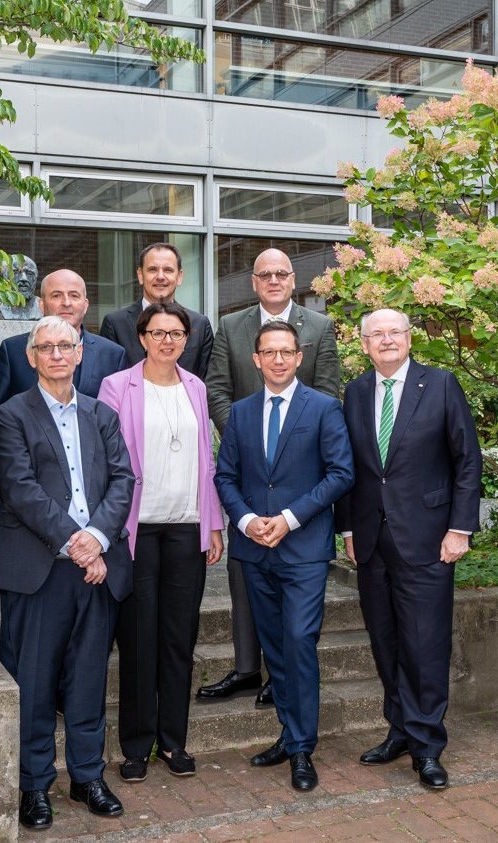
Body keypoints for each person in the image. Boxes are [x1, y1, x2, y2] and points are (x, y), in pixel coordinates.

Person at [0, 316, 135, 828]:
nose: (56, 354)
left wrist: (98, 542)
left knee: (89, 679)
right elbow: (21, 490)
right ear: (31, 358)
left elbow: (122, 480)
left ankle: (88, 776)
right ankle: (33, 784)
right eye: (45, 347)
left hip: (97, 569)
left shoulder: (102, 414)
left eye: (65, 345)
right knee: (35, 682)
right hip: (40, 569)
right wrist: (77, 541)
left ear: (80, 353)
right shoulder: (11, 416)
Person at [336, 308, 481, 791]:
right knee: (386, 643)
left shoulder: (440, 384)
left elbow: (466, 460)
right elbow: (350, 469)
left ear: (409, 338)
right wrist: (349, 531)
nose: (386, 340)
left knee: (425, 646)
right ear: (364, 345)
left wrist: (460, 528)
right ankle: (399, 729)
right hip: (373, 541)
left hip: (429, 539)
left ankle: (427, 745)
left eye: (393, 332)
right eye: (376, 335)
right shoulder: (356, 392)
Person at [200, 248, 343, 709]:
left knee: (295, 613)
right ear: (254, 281)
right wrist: (246, 434)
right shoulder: (230, 326)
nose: (275, 280)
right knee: (248, 584)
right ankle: (248, 667)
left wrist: (285, 439)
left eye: (283, 273)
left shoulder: (319, 328)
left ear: (293, 278)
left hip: (300, 479)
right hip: (248, 473)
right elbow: (217, 389)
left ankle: (282, 680)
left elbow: (327, 394)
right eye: (266, 274)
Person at [214, 320, 353, 792]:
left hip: (303, 549)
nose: (277, 359)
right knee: (275, 648)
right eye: (268, 352)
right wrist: (247, 521)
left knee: (298, 641)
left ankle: (301, 749)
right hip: (255, 550)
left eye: (286, 352)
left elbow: (340, 474)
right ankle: (288, 734)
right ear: (256, 360)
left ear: (299, 358)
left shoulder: (324, 409)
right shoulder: (240, 412)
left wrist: (290, 518)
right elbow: (225, 477)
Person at [98, 301, 226, 784]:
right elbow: (107, 460)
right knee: (136, 639)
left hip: (186, 528)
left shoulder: (195, 387)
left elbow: (207, 463)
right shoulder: (117, 386)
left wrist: (212, 524)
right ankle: (136, 745)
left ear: (186, 339)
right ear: (143, 337)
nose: (168, 340)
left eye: (177, 333)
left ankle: (174, 742)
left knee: (178, 638)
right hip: (137, 530)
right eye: (158, 332)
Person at [0, 269, 128, 445]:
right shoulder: (13, 350)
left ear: (85, 305)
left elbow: (123, 420)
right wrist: (18, 453)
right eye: (56, 296)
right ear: (42, 305)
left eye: (74, 295)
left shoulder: (113, 355)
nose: (66, 303)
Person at [100, 243, 214, 378]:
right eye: (153, 270)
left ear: (179, 277)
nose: (160, 276)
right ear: (140, 275)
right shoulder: (115, 324)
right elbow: (108, 379)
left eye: (168, 270)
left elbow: (207, 381)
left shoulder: (200, 325)